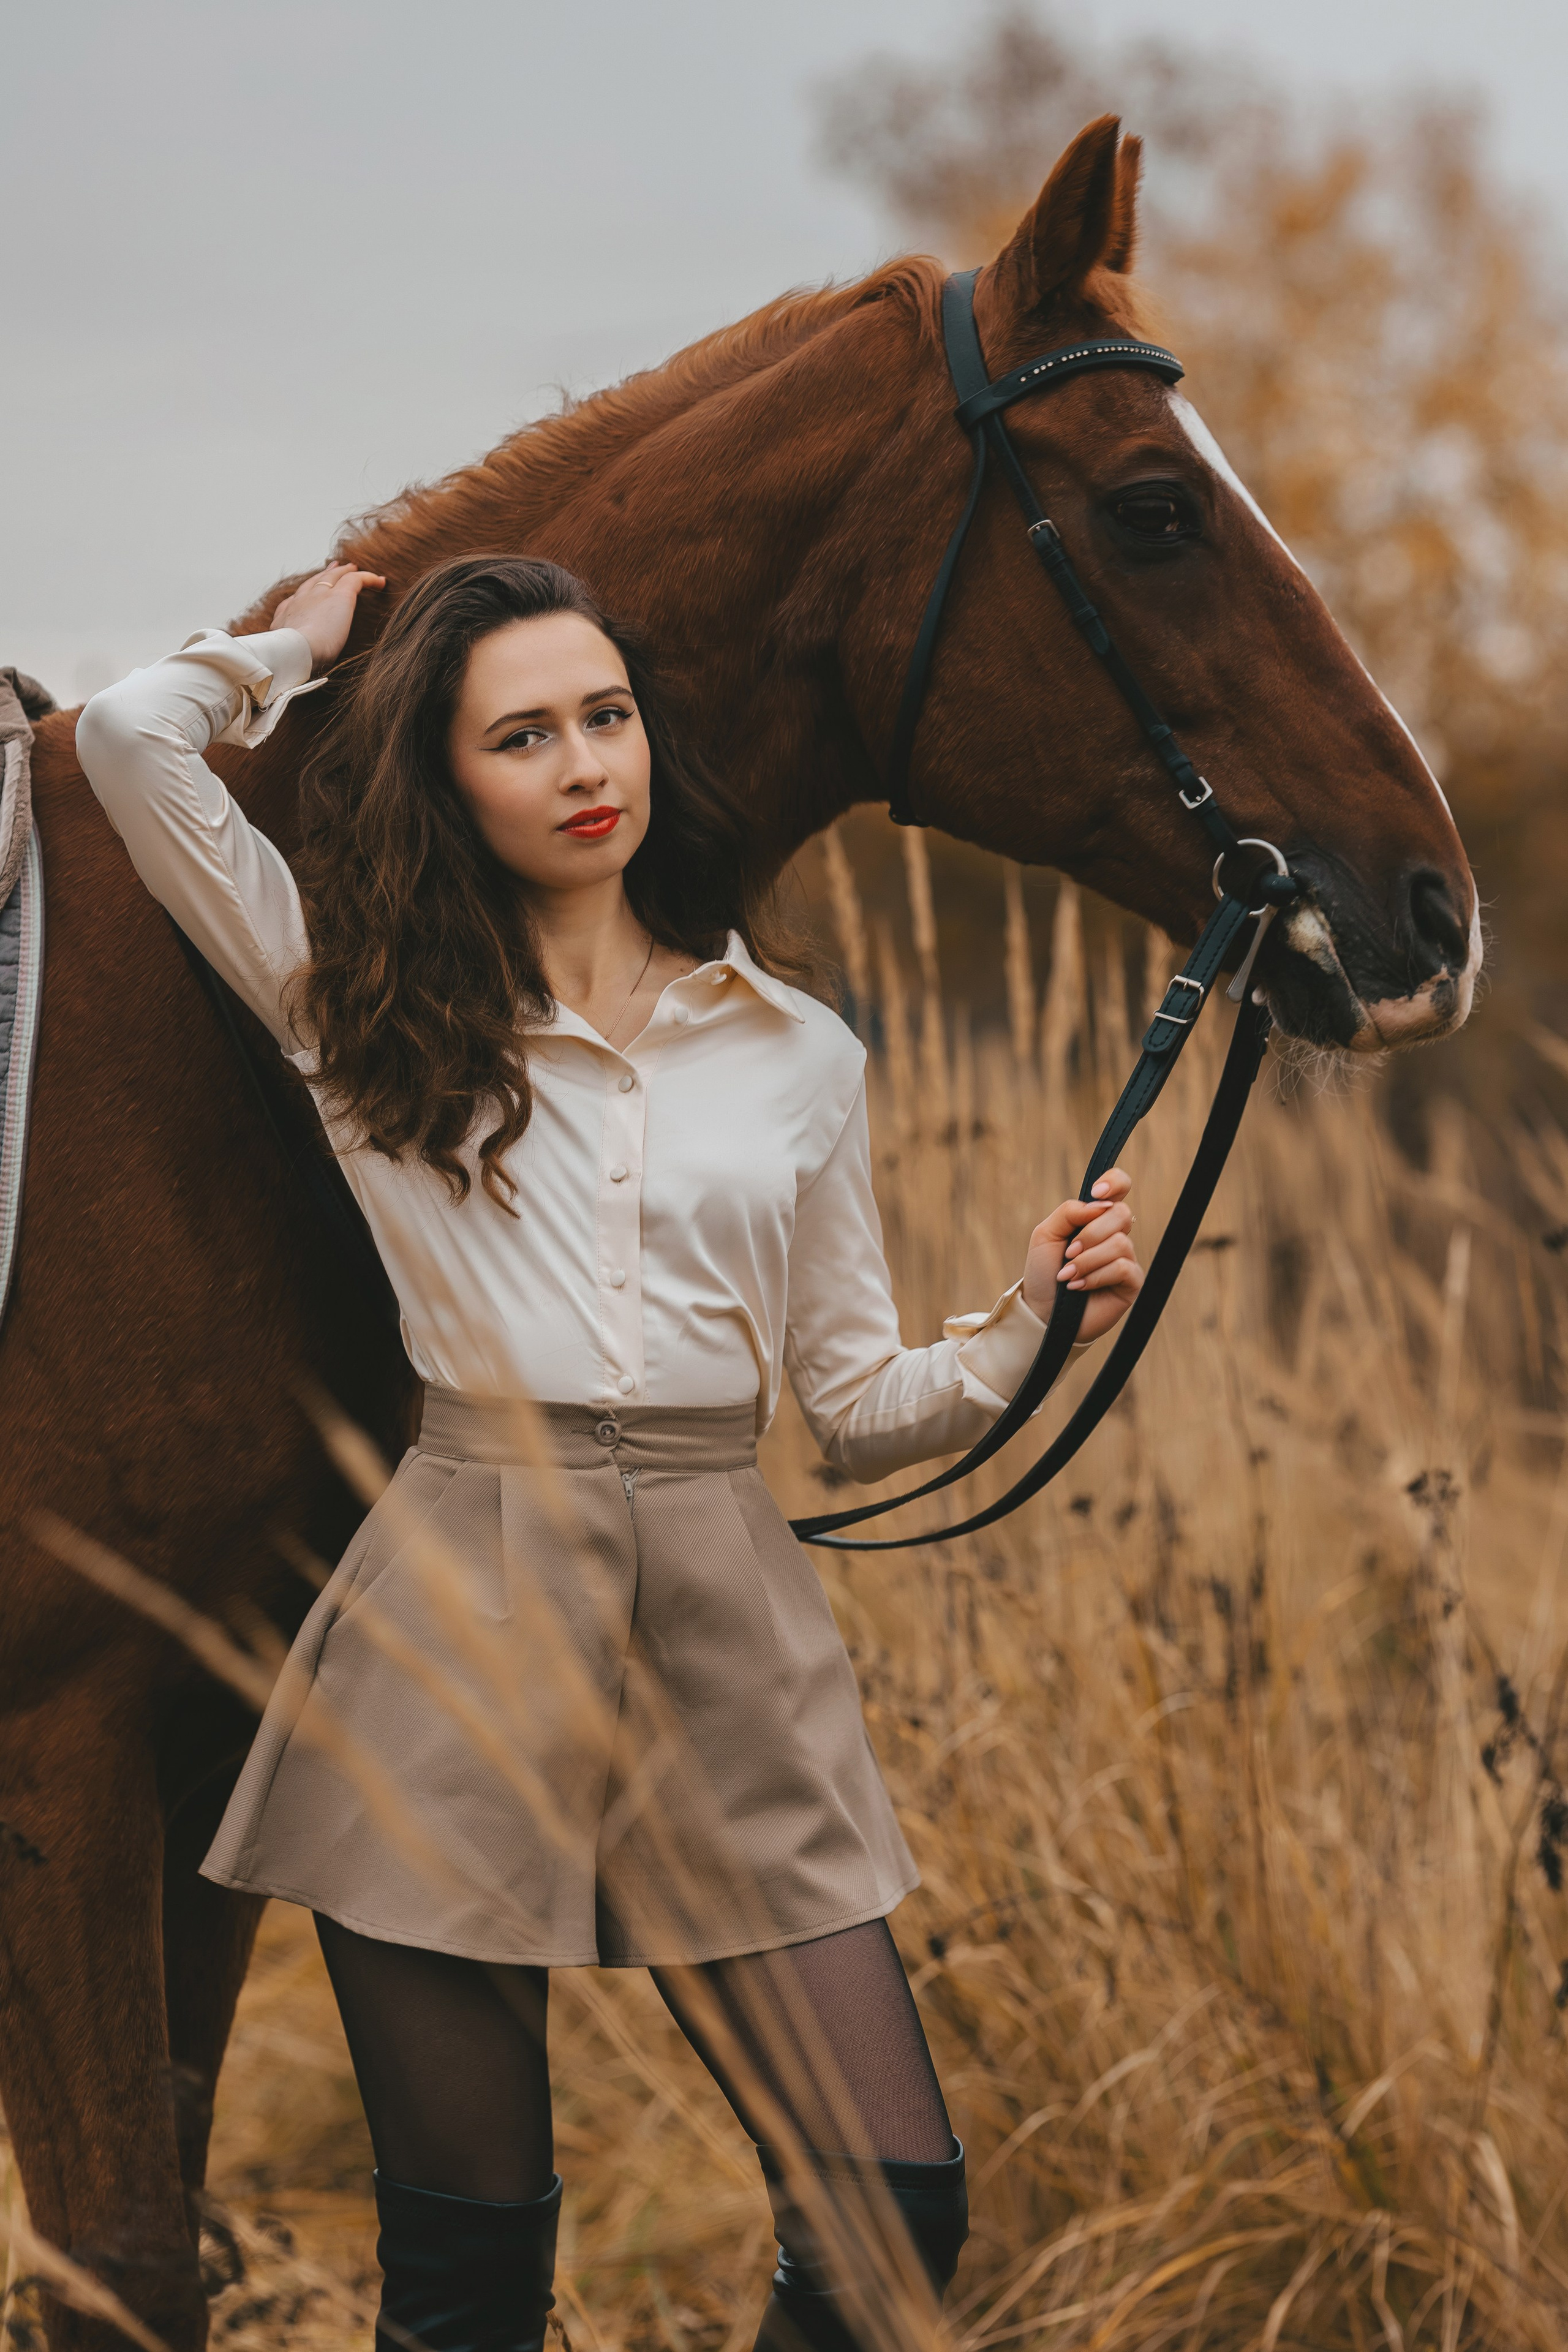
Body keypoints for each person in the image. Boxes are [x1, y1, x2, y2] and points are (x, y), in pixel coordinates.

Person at [77, 556, 1142, 2352]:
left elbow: (860, 1407)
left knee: (892, 2215)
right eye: (522, 735)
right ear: (445, 778)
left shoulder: (798, 1055)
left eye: (608, 715)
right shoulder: (360, 1005)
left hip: (726, 1621)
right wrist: (293, 652)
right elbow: (128, 740)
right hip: (457, 1618)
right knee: (471, 2285)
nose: (585, 764)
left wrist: (1034, 1318)